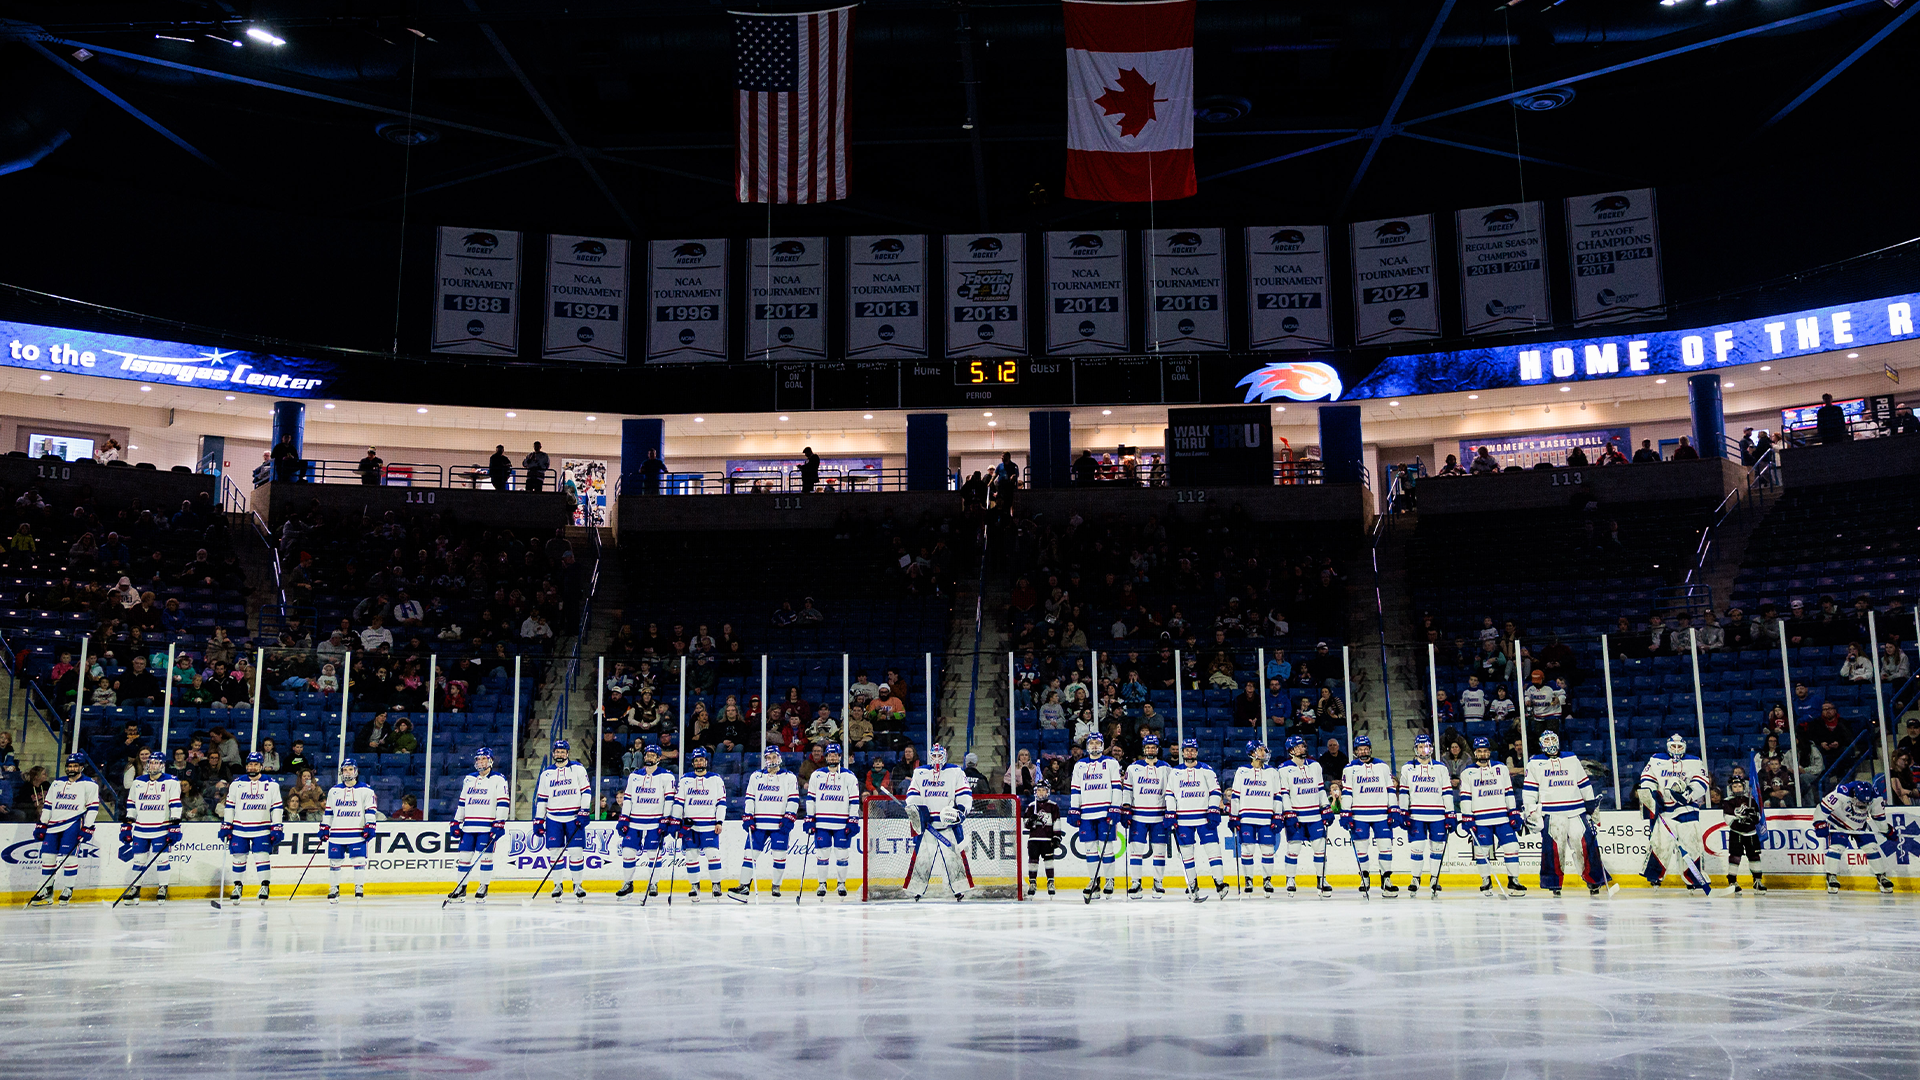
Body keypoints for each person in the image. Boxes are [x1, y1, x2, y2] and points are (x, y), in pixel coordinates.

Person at [1523, 730, 1610, 898]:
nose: (1550, 743)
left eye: (1552, 739)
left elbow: (1584, 784)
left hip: (1576, 811)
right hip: (1551, 813)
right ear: (1541, 744)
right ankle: (1554, 883)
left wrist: (1591, 806)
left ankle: (1594, 881)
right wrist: (1532, 811)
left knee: (1586, 846)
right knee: (1554, 850)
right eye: (1546, 740)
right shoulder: (1534, 763)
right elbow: (1529, 791)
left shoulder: (1571, 759)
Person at [1637, 734, 1712, 894]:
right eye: (1673, 746)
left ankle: (1693, 879)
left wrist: (1690, 793)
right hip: (1664, 810)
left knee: (1692, 845)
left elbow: (1702, 781)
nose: (1676, 750)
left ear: (1684, 748)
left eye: (1679, 747)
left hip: (1687, 809)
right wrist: (1652, 794)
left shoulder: (1694, 761)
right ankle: (1655, 877)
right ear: (1668, 746)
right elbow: (1647, 778)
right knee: (1659, 844)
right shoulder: (1656, 760)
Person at [901, 744, 973, 901]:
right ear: (929, 756)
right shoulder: (920, 772)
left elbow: (965, 794)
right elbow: (912, 795)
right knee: (922, 858)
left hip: (949, 824)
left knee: (954, 858)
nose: (937, 759)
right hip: (928, 824)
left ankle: (959, 889)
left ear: (945, 756)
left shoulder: (955, 771)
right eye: (934, 756)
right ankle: (916, 889)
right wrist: (916, 810)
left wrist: (961, 811)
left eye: (940, 756)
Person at [1457, 736, 1528, 896]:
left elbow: (1508, 791)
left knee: (1512, 847)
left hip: (1502, 818)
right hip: (1481, 819)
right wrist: (1467, 817)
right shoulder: (1468, 773)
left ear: (1490, 752)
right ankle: (1486, 881)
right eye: (1480, 751)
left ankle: (1513, 881)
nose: (1483, 754)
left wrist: (1513, 811)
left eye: (1485, 751)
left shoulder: (1501, 768)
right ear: (1475, 753)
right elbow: (1466, 797)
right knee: (1482, 851)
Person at [1165, 737, 1229, 902]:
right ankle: (1192, 885)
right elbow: (1170, 794)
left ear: (1197, 752)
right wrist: (1170, 812)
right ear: (1183, 752)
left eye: (1192, 750)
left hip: (1204, 818)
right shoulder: (1175, 772)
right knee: (1187, 854)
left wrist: (1213, 809)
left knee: (1213, 850)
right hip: (1183, 820)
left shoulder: (1207, 770)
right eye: (1187, 750)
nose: (1190, 752)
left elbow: (1215, 791)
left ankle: (1219, 883)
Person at [443, 747, 510, 904]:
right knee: (464, 858)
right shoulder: (469, 779)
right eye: (478, 759)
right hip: (469, 826)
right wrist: (456, 821)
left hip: (487, 826)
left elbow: (503, 803)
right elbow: (462, 802)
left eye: (484, 759)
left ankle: (483, 887)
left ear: (491, 761)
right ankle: (461, 888)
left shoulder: (499, 779)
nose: (480, 762)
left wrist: (499, 822)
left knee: (486, 857)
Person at [30, 755, 99, 906]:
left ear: (81, 767)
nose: (72, 769)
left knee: (69, 858)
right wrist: (43, 824)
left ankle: (68, 888)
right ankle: (46, 891)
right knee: (48, 858)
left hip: (73, 823)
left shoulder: (89, 784)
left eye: (75, 766)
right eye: (70, 766)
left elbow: (93, 808)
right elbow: (48, 805)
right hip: (53, 825)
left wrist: (87, 827)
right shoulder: (57, 783)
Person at [733, 748, 800, 900]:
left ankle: (776, 885)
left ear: (779, 758)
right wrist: (748, 816)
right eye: (768, 757)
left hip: (779, 824)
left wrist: (789, 817)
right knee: (749, 855)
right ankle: (744, 886)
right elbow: (750, 798)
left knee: (779, 856)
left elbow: (793, 800)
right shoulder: (756, 776)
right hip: (758, 823)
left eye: (774, 757)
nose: (771, 760)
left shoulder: (789, 777)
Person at [614, 743, 677, 900]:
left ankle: (653, 883)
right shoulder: (635, 776)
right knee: (628, 852)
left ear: (659, 758)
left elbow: (669, 800)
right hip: (634, 821)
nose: (649, 757)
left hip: (655, 821)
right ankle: (628, 884)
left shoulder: (667, 776)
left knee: (653, 853)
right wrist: (624, 818)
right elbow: (628, 798)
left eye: (652, 755)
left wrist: (665, 819)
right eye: (647, 755)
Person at [533, 740, 593, 902]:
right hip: (553, 819)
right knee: (555, 853)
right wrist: (538, 820)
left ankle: (577, 885)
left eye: (562, 751)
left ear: (567, 753)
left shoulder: (577, 769)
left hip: (574, 818)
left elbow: (586, 791)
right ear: (553, 753)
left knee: (576, 852)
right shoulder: (546, 773)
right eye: (557, 752)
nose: (559, 754)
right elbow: (542, 799)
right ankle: (558, 885)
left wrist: (584, 810)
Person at [221, 751, 285, 903]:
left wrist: (277, 826)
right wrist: (226, 825)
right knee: (238, 857)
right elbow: (230, 806)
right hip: (239, 828)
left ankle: (264, 886)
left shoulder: (272, 785)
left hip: (262, 828)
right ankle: (238, 886)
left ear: (261, 766)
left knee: (262, 856)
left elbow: (277, 807)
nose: (252, 767)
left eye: (256, 764)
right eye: (250, 764)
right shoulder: (237, 784)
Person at [1340, 735, 1398, 897]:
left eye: (1366, 749)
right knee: (1361, 849)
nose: (1363, 752)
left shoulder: (1382, 766)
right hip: (1359, 815)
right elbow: (1347, 792)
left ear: (1370, 749)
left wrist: (1393, 808)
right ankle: (1364, 877)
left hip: (1381, 814)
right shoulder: (1349, 769)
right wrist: (1346, 812)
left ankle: (1386, 879)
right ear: (1355, 752)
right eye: (1360, 749)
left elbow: (1390, 789)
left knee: (1386, 847)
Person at [118, 755, 180, 905]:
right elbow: (131, 803)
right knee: (138, 860)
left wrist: (174, 825)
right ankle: (135, 888)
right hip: (141, 828)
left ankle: (163, 887)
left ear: (162, 765)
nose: (152, 765)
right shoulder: (138, 781)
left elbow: (175, 804)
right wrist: (128, 824)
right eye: (150, 762)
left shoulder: (171, 781)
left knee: (162, 859)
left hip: (161, 828)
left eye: (156, 763)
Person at [1068, 732, 1124, 900]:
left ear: (1102, 745)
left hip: (1105, 812)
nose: (1094, 745)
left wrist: (1115, 807)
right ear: (1087, 746)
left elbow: (1116, 787)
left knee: (1107, 848)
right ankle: (1094, 882)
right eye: (1091, 743)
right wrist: (1074, 808)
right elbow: (1075, 788)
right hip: (1086, 813)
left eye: (1097, 742)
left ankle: (1109, 880)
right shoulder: (1080, 765)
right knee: (1090, 849)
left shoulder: (1111, 763)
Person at [1275, 735, 1331, 897]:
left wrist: (1326, 807)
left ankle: (1322, 879)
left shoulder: (1315, 766)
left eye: (1303, 746)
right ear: (1291, 750)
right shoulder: (1284, 769)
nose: (1303, 749)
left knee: (1320, 849)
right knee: (1294, 848)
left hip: (1314, 816)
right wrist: (1288, 812)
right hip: (1296, 816)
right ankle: (1290, 879)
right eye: (1299, 747)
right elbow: (1284, 794)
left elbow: (1320, 789)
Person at [802, 742, 860, 898]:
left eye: (835, 754)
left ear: (840, 757)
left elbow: (854, 801)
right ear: (825, 756)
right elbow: (810, 799)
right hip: (821, 822)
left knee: (842, 854)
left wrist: (853, 819)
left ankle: (841, 884)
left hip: (841, 823)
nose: (832, 757)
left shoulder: (849, 776)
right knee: (822, 854)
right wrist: (809, 818)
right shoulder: (816, 775)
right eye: (829, 755)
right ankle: (822, 883)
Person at [1816, 780, 1894, 894]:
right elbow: (1822, 809)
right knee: (1837, 847)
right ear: (1854, 795)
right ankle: (1831, 876)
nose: (1863, 806)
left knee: (1872, 847)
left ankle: (1881, 876)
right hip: (1838, 823)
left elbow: (1879, 818)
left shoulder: (1876, 798)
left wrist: (1887, 830)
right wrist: (1819, 824)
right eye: (1860, 801)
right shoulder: (1841, 793)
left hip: (1860, 825)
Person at [673, 748, 728, 902]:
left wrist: (719, 821)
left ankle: (716, 885)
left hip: (709, 825)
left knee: (713, 855)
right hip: (690, 826)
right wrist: (676, 822)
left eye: (701, 760)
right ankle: (695, 886)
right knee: (691, 856)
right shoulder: (685, 780)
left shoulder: (716, 779)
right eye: (696, 760)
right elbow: (679, 802)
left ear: (706, 761)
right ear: (693, 762)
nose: (699, 762)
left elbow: (721, 802)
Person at [320, 758, 377, 904]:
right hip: (337, 833)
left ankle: (359, 887)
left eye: (350, 769)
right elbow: (329, 812)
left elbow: (370, 810)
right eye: (345, 769)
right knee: (334, 862)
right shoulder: (334, 791)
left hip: (356, 832)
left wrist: (370, 825)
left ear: (356, 771)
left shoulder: (366, 790)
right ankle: (334, 888)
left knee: (358, 861)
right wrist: (325, 827)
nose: (347, 772)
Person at [1228, 741, 1281, 896]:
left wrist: (1277, 815)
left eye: (1265, 750)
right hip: (1246, 817)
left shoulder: (1272, 772)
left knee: (1268, 850)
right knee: (1247, 849)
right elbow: (1236, 795)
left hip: (1266, 817)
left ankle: (1267, 879)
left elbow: (1277, 796)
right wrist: (1234, 816)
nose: (1264, 753)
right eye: (1261, 750)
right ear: (1252, 752)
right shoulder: (1242, 771)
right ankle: (1248, 879)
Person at [1122, 733, 1172, 896]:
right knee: (1136, 850)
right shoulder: (1133, 768)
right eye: (1148, 747)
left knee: (1159, 851)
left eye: (1153, 747)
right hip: (1138, 816)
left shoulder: (1167, 768)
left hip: (1159, 816)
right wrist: (1126, 808)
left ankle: (1158, 882)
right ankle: (1136, 882)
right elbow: (1127, 790)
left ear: (1157, 749)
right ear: (1144, 749)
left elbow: (1171, 792)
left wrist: (1171, 811)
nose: (1150, 749)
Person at [1720, 775, 1766, 895]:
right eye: (1735, 786)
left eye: (1740, 786)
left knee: (1754, 856)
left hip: (1751, 833)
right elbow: (1728, 819)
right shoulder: (1727, 801)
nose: (1738, 788)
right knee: (1735, 857)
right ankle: (1732, 882)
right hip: (1737, 833)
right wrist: (1742, 820)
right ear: (1731, 788)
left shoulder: (1751, 799)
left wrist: (1753, 816)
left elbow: (1758, 817)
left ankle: (1757, 881)